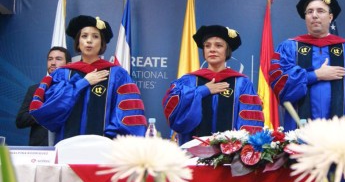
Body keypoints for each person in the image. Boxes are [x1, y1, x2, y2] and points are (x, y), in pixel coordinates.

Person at [29, 15, 146, 144]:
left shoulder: (117, 74)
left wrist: (106, 141)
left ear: (102, 43)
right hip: (67, 145)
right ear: (78, 42)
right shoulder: (63, 73)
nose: (89, 41)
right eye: (84, 36)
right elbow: (53, 110)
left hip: (103, 149)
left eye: (95, 36)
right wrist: (83, 83)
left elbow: (126, 115)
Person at [269, 0, 345, 131]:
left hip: (341, 136)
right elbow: (281, 88)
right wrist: (316, 75)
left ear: (330, 17)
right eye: (309, 11)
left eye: (321, 11)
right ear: (305, 17)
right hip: (299, 133)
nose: (314, 15)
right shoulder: (289, 48)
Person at [163, 25, 264, 144]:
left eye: (219, 45)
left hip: (229, 156)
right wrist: (202, 90)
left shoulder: (242, 83)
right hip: (193, 153)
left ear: (227, 50)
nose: (212, 49)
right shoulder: (188, 81)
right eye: (207, 46)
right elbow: (174, 111)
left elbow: (250, 123)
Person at [16, 46, 71, 146]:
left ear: (68, 64)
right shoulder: (34, 89)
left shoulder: (72, 90)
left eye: (58, 59)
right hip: (40, 151)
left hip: (66, 147)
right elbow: (20, 121)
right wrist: (45, 111)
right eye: (50, 59)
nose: (53, 63)